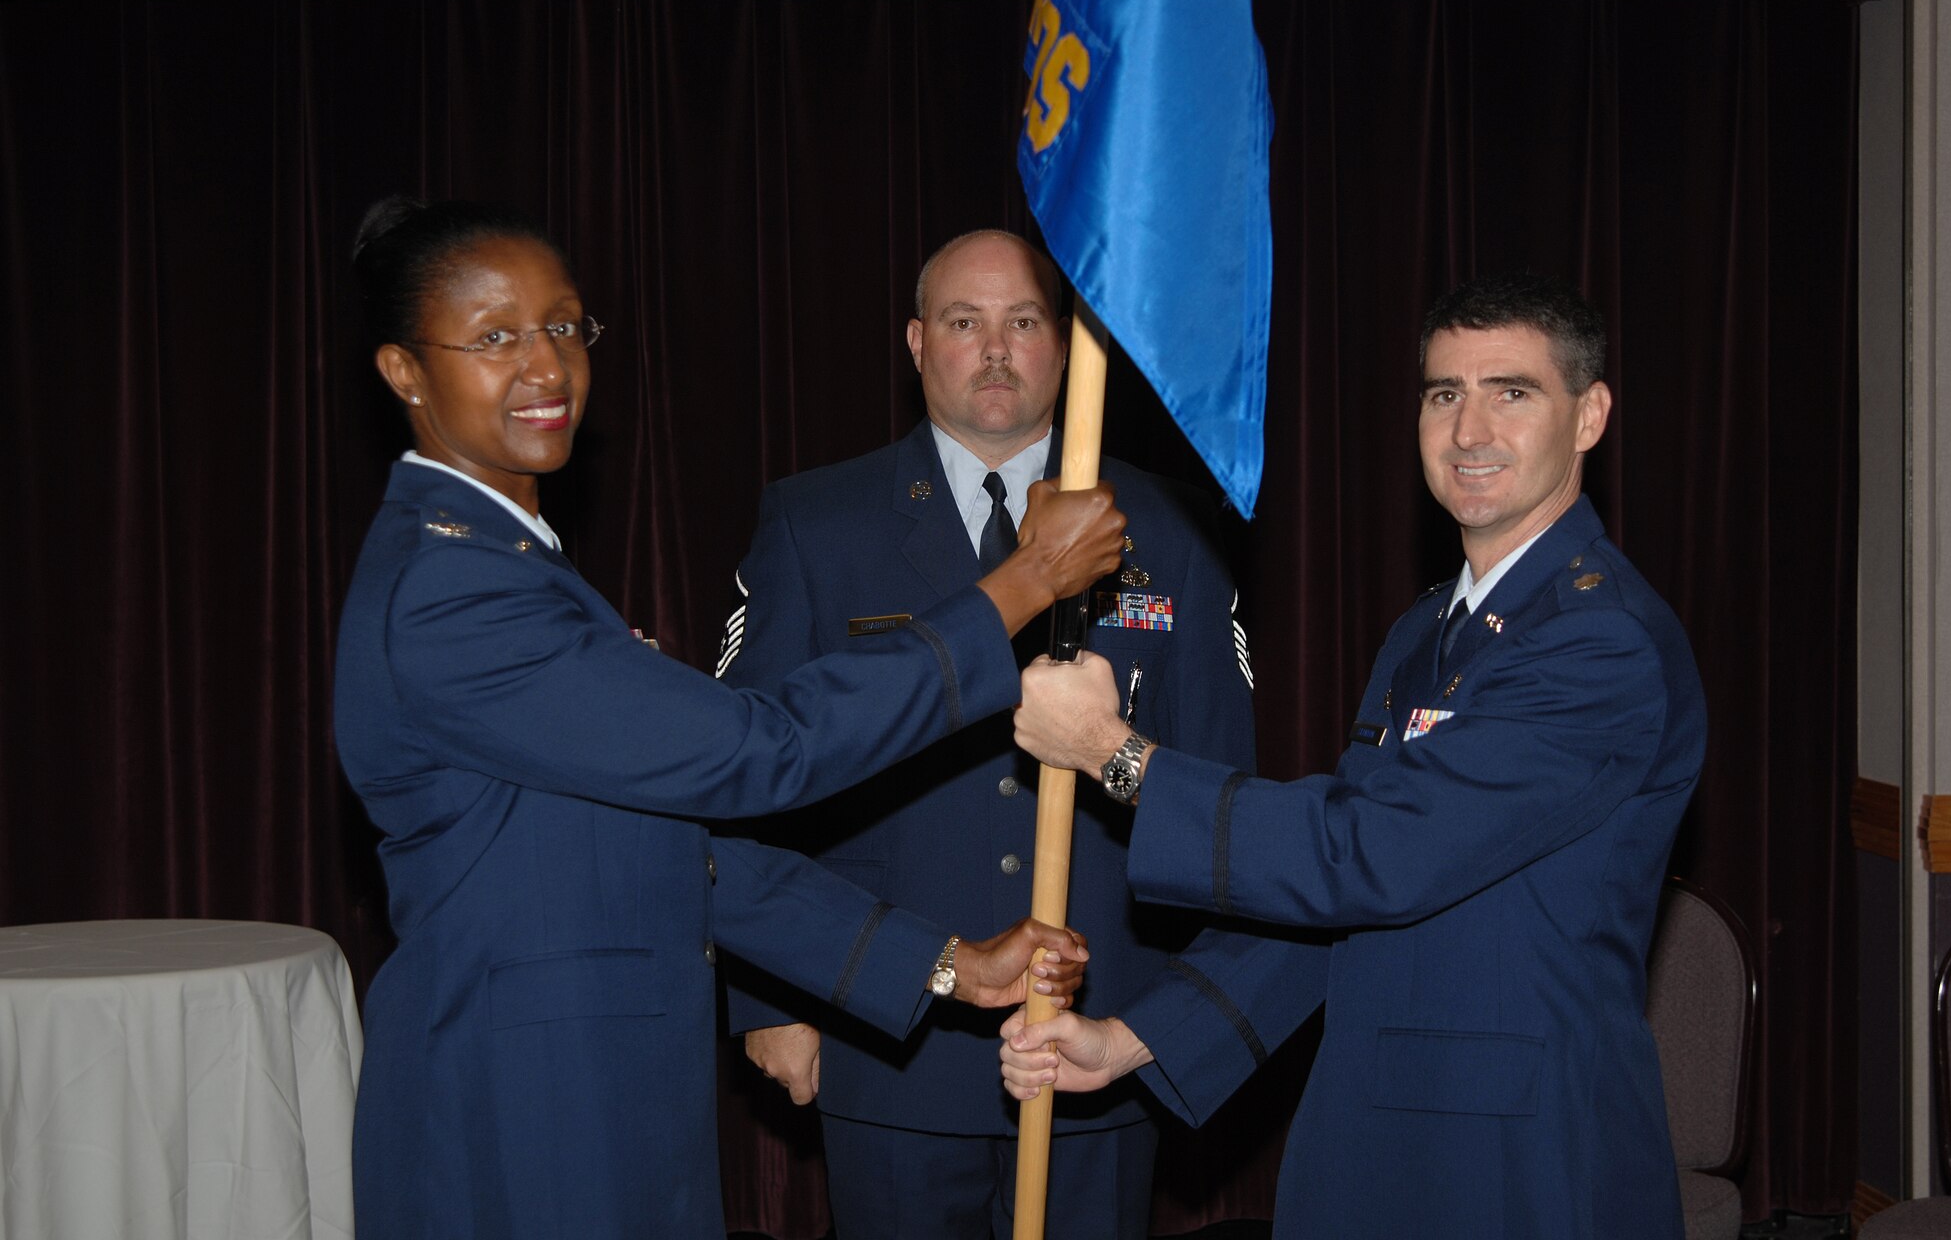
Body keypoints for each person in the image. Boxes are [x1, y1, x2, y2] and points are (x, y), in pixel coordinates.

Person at [334, 197, 1126, 1239]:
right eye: (493, 338)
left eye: (565, 326)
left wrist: (938, 962)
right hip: (521, 1106)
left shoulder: (509, 557)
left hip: (592, 1094)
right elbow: (762, 749)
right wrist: (1019, 586)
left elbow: (685, 851)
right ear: (404, 371)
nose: (545, 366)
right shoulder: (453, 589)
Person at [1000, 273, 1707, 1239]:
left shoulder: (1599, 643)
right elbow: (1331, 912)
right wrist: (1138, 1038)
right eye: (1443, 394)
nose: (1469, 430)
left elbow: (1369, 855)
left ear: (1589, 416)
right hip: (1376, 1134)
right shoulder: (1430, 629)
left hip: (1519, 1163)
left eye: (1513, 392)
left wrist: (1115, 754)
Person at [719, 229, 1255, 1239]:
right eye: (965, 323)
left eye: (1022, 321)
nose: (995, 347)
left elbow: (1222, 793)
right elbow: (751, 777)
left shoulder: (1170, 527)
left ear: (1063, 346)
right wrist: (767, 998)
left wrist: (1176, 1014)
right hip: (888, 1034)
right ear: (918, 343)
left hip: (1096, 1033)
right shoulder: (816, 522)